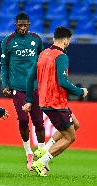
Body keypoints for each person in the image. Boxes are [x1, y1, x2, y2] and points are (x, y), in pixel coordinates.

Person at [22, 26, 88, 176]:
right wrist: (80, 91)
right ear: (66, 40)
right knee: (70, 137)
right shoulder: (61, 56)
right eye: (69, 41)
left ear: (53, 39)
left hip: (45, 102)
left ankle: (44, 149)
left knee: (75, 124)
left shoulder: (43, 54)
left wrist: (29, 100)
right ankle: (41, 162)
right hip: (56, 103)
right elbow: (63, 81)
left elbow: (29, 77)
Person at [0, 12, 45, 171]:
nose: (23, 28)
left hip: (35, 88)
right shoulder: (8, 41)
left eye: (25, 25)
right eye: (20, 25)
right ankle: (28, 153)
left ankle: (42, 153)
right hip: (17, 88)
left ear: (29, 25)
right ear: (15, 25)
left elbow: (42, 62)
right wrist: (5, 83)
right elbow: (4, 64)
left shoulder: (36, 40)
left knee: (39, 122)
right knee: (24, 120)